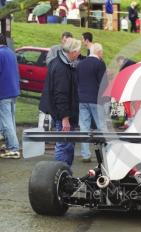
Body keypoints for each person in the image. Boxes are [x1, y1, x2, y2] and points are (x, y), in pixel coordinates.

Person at [39, 38, 81, 167]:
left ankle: (64, 174)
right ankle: (59, 175)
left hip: (64, 112)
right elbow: (61, 95)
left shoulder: (59, 62)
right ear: (72, 52)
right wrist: (65, 118)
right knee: (63, 145)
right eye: (79, 51)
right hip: (63, 114)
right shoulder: (62, 68)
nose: (79, 54)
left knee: (66, 144)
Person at [77, 43, 107, 162]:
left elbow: (77, 81)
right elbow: (103, 84)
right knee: (101, 127)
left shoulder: (80, 64)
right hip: (96, 100)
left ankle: (85, 155)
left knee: (84, 127)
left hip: (82, 99)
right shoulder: (99, 64)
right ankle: (106, 153)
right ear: (99, 52)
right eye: (102, 52)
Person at [0, 34, 21, 159]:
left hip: (4, 92)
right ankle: (10, 144)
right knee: (10, 121)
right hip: (13, 90)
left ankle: (13, 148)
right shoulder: (10, 52)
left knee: (6, 121)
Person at [116, 56, 141, 128]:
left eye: (118, 63)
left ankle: (132, 122)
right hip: (133, 88)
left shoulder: (126, 65)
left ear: (121, 60)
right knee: (131, 105)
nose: (118, 65)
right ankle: (132, 122)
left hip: (132, 89)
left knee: (132, 105)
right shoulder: (131, 64)